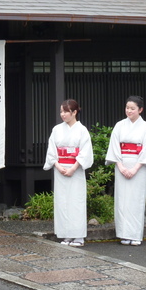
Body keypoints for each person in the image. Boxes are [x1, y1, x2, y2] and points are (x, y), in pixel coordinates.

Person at [105, 95, 146, 246]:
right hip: (122, 165)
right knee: (122, 200)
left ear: (140, 110)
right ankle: (123, 233)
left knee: (136, 200)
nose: (129, 111)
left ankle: (135, 235)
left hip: (137, 166)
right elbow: (115, 147)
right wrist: (120, 166)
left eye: (132, 108)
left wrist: (135, 168)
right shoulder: (119, 125)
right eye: (127, 108)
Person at [43, 99, 93, 246]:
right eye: (61, 111)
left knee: (75, 202)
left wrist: (73, 168)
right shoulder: (57, 130)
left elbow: (85, 153)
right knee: (62, 202)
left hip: (75, 170)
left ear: (74, 112)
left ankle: (78, 236)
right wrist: (58, 166)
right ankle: (66, 235)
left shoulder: (82, 130)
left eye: (66, 111)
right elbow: (52, 151)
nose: (62, 114)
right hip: (61, 169)